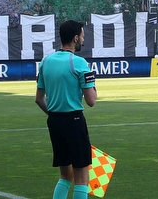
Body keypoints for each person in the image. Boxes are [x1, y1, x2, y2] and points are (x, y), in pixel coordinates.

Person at [35, 20, 97, 199]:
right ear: (75, 38)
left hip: (54, 121)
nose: (83, 40)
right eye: (83, 36)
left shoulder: (46, 61)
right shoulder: (79, 63)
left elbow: (39, 99)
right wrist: (93, 84)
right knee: (81, 178)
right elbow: (91, 100)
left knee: (65, 175)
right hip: (74, 121)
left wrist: (56, 114)